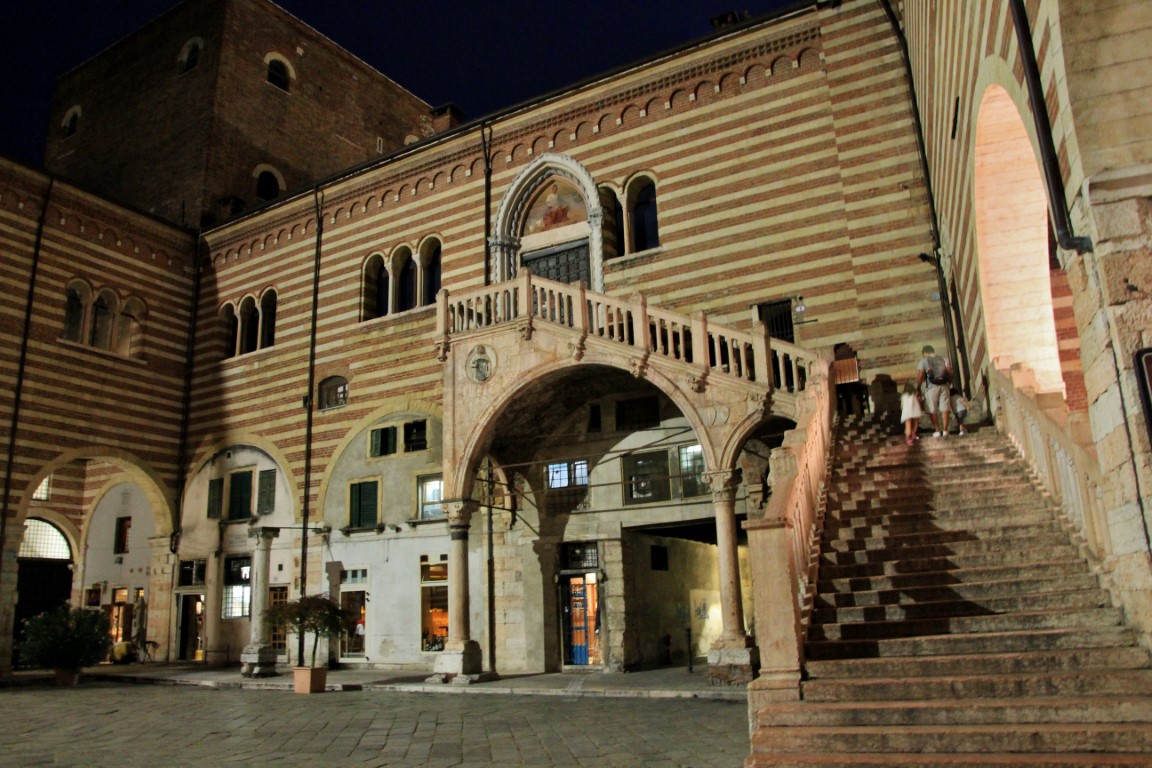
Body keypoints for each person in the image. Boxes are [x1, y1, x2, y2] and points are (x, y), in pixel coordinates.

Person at [916, 344, 952, 437]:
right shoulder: (943, 359)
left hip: (931, 388)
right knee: (945, 408)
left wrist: (918, 387)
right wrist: (949, 382)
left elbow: (920, 375)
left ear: (924, 353)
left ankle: (937, 430)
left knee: (932, 409)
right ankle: (945, 430)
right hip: (944, 386)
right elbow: (949, 371)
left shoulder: (923, 361)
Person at [899, 380, 922, 446]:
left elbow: (902, 405)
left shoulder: (903, 396)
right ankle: (912, 435)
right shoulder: (914, 394)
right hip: (914, 411)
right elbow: (917, 402)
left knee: (908, 424)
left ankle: (909, 437)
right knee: (915, 423)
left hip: (907, 412)